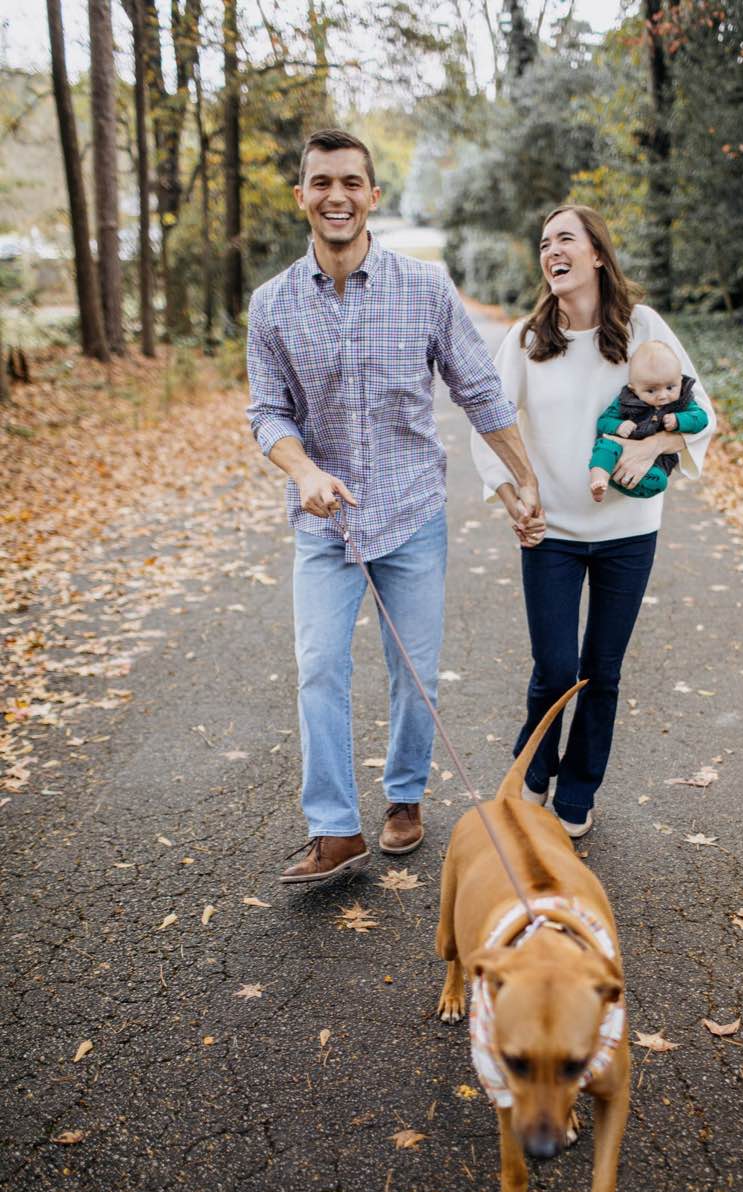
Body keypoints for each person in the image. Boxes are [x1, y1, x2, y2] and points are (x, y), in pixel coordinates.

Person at [247, 129, 543, 886]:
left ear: (372, 196)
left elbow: (478, 388)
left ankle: (404, 796)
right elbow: (267, 414)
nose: (335, 196)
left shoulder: (424, 288)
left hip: (411, 511)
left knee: (414, 674)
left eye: (350, 182)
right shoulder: (271, 305)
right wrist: (303, 468)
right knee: (318, 665)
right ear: (301, 197)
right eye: (321, 183)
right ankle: (335, 830)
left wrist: (527, 480)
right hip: (324, 521)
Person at [472, 204, 716, 838]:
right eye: (544, 241)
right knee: (554, 670)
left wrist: (652, 445)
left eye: (565, 239)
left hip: (627, 536)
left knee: (600, 672)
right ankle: (534, 766)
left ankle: (578, 791)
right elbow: (489, 425)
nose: (551, 249)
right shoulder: (527, 338)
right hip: (551, 534)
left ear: (597, 255)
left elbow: (701, 413)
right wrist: (511, 497)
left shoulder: (643, 327)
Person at [587, 340, 710, 502]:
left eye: (670, 387)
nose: (662, 395)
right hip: (618, 445)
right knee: (605, 445)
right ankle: (599, 479)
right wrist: (618, 425)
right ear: (633, 388)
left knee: (659, 481)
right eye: (651, 390)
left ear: (680, 380)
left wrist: (679, 420)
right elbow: (603, 422)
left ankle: (619, 481)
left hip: (656, 461)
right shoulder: (626, 400)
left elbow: (702, 418)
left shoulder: (683, 401)